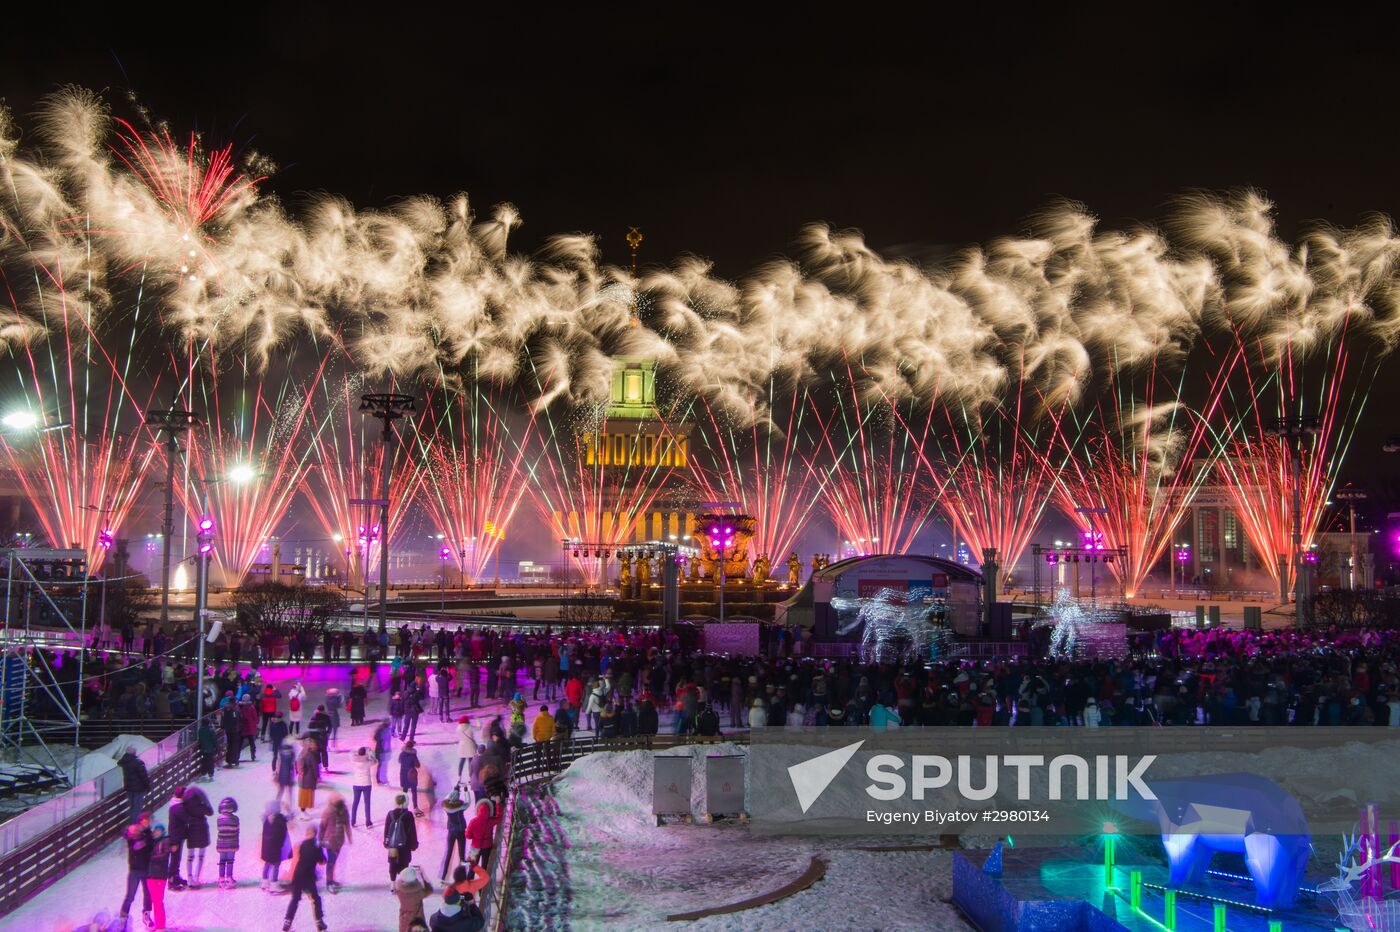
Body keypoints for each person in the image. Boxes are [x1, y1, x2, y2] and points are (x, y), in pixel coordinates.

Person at [283, 826, 328, 931]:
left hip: (298, 876)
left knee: (295, 899)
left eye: (308, 831)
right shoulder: (316, 846)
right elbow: (322, 861)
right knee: (316, 899)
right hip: (308, 877)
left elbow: (291, 854)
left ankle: (287, 922)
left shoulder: (302, 844)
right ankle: (319, 922)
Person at [118, 815, 154, 926]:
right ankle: (123, 918)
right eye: (144, 821)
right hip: (134, 870)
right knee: (130, 895)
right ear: (139, 822)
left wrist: (146, 839)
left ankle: (146, 915)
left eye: (148, 821)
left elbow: (152, 843)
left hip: (146, 869)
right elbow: (126, 834)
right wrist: (129, 832)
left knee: (148, 894)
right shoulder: (132, 835)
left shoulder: (149, 835)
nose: (146, 823)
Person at [318, 792, 352, 893]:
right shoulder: (328, 812)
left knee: (333, 862)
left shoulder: (344, 811)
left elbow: (347, 824)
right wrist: (320, 840)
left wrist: (349, 837)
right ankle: (329, 883)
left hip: (339, 841)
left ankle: (331, 880)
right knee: (331, 862)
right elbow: (322, 827)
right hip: (330, 842)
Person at [182, 784, 215, 887]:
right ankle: (197, 877)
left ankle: (190, 878)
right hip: (202, 829)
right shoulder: (202, 806)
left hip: (191, 830)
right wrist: (205, 802)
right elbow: (211, 812)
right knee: (201, 856)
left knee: (190, 856)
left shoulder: (186, 806)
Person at [384, 794, 419, 883]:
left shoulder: (390, 814)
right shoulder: (408, 815)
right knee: (404, 864)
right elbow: (412, 831)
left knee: (393, 864)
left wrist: (386, 842)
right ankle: (404, 884)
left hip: (393, 844)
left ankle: (392, 885)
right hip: (405, 844)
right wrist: (414, 844)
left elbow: (387, 830)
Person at [145, 823, 172, 931]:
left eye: (158, 831)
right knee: (155, 901)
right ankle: (158, 924)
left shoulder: (165, 841)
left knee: (158, 901)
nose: (156, 832)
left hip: (159, 875)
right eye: (155, 831)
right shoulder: (153, 843)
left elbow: (165, 856)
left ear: (162, 832)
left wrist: (150, 858)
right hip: (151, 875)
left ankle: (161, 926)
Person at [261, 800, 290, 893]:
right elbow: (289, 818)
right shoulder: (280, 819)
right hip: (276, 847)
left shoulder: (265, 818)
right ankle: (274, 884)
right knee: (276, 865)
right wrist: (287, 808)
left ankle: (265, 882)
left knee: (267, 863)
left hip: (267, 848)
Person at [440, 790, 469, 882]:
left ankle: (443, 877)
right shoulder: (461, 807)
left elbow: (446, 798)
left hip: (451, 831)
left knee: (448, 854)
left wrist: (453, 790)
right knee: (462, 856)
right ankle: (463, 877)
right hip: (461, 831)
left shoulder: (446, 807)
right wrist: (466, 791)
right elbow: (469, 802)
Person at [395, 864, 434, 932]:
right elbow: (430, 890)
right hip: (417, 919)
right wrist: (422, 875)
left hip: (404, 917)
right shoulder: (418, 893)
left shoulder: (399, 891)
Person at [465, 797, 500, 867]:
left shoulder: (473, 822)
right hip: (487, 846)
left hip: (475, 847)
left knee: (472, 867)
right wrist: (498, 804)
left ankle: (470, 877)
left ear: (478, 810)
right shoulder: (491, 821)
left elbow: (468, 836)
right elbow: (499, 817)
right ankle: (483, 877)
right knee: (484, 867)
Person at [119, 747, 150, 820]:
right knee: (137, 807)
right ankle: (135, 825)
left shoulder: (124, 762)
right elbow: (143, 776)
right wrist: (147, 786)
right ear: (134, 753)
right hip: (138, 789)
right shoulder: (138, 763)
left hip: (129, 788)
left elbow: (119, 762)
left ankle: (132, 823)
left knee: (132, 807)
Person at [216, 796, 239, 890]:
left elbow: (219, 829)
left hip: (221, 843)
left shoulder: (219, 819)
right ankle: (229, 878)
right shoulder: (235, 819)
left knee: (222, 861)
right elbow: (236, 830)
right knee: (230, 861)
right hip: (232, 842)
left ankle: (221, 879)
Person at [297, 736, 322, 817]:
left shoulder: (303, 753)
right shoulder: (310, 755)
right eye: (313, 744)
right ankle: (302, 812)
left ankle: (303, 811)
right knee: (305, 796)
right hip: (308, 778)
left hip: (304, 778)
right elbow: (315, 767)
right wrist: (317, 777)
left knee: (304, 795)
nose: (315, 746)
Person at [351, 746, 375, 827]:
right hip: (366, 784)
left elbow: (352, 754)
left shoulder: (354, 761)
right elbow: (375, 761)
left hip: (356, 784)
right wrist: (370, 753)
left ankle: (353, 821)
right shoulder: (368, 762)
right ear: (365, 753)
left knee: (355, 802)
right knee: (367, 803)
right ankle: (368, 822)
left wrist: (357, 753)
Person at [400, 740, 422, 814]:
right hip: (411, 775)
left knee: (404, 791)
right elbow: (418, 765)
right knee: (414, 792)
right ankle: (415, 808)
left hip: (403, 774)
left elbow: (399, 761)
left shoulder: (402, 754)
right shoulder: (413, 755)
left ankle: (403, 807)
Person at [275, 741, 297, 805]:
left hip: (282, 774)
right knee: (290, 793)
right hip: (289, 774)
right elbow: (293, 765)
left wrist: (277, 774)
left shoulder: (281, 755)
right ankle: (290, 809)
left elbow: (278, 765)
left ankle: (276, 806)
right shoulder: (292, 755)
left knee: (280, 791)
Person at [197, 717, 218, 781]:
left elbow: (200, 739)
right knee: (210, 761)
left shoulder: (200, 730)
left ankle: (204, 772)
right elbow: (214, 740)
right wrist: (216, 747)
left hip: (203, 748)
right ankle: (210, 773)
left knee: (204, 760)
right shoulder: (211, 731)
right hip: (210, 749)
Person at [374, 718, 394, 785]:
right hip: (381, 751)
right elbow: (377, 738)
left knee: (383, 765)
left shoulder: (387, 730)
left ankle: (381, 779)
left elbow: (388, 741)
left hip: (385, 751)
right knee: (382, 765)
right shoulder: (382, 731)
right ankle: (380, 779)